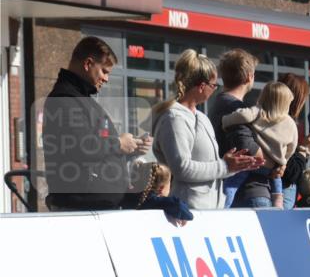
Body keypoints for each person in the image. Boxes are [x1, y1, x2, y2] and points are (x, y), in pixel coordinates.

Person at [42, 36, 152, 211]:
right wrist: (118, 143)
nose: (106, 79)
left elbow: (97, 150)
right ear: (88, 64)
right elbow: (80, 146)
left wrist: (131, 148)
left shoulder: (80, 99)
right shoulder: (65, 99)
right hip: (81, 209)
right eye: (104, 71)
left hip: (93, 206)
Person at [151, 50, 261, 209]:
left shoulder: (201, 117)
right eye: (214, 85)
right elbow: (182, 168)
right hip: (186, 211)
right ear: (202, 86)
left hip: (209, 210)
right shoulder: (174, 118)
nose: (216, 89)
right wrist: (224, 166)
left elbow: (212, 167)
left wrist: (235, 165)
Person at [222, 82, 299, 208]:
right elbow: (292, 146)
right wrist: (283, 161)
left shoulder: (258, 112)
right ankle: (278, 202)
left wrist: (225, 121)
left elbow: (241, 115)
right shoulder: (290, 123)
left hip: (252, 162)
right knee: (277, 185)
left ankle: (223, 206)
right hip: (274, 167)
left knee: (232, 183)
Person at [208, 48, 257, 155]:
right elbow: (247, 149)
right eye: (254, 74)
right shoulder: (236, 108)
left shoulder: (219, 101)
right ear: (249, 77)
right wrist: (273, 163)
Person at [277, 73, 310, 208]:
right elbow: (291, 172)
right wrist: (304, 150)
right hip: (283, 191)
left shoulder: (272, 119)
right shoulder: (285, 123)